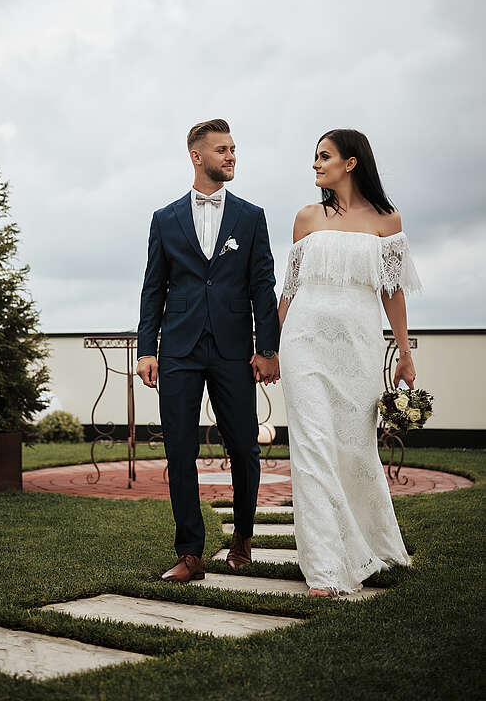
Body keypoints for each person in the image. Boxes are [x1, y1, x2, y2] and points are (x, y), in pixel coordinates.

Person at [278, 129, 422, 596]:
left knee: (355, 449)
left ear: (352, 162)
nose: (316, 164)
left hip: (357, 348)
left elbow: (392, 291)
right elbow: (290, 290)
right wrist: (269, 348)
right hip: (303, 342)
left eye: (324, 156)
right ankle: (323, 567)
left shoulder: (386, 220)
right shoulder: (306, 218)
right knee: (312, 449)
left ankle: (370, 541)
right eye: (315, 157)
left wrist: (404, 353)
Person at [137, 118, 280, 583]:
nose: (231, 156)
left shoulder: (251, 216)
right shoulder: (164, 219)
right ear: (197, 156)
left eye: (234, 148)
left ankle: (242, 538)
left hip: (234, 349)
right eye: (222, 149)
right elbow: (152, 289)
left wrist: (267, 348)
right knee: (179, 449)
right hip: (178, 348)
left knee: (243, 446)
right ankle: (191, 554)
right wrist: (147, 349)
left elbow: (263, 286)